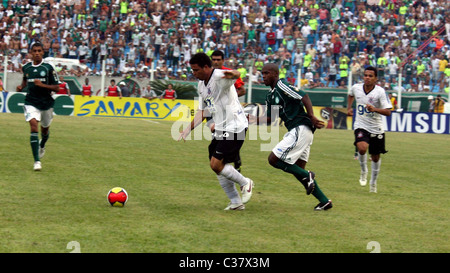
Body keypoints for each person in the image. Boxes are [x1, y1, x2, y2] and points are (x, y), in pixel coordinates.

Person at [179, 53, 254, 211]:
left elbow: (236, 74)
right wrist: (187, 129)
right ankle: (235, 202)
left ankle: (245, 182)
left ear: (206, 67)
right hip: (221, 127)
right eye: (192, 70)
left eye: (196, 70)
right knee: (217, 166)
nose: (194, 73)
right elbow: (202, 111)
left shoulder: (219, 76)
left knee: (216, 163)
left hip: (235, 126)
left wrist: (235, 73)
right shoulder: (201, 85)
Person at [254, 63, 333, 211]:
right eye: (262, 73)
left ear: (275, 74)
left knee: (273, 159)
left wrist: (311, 115)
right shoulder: (270, 95)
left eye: (266, 73)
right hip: (302, 132)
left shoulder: (281, 85)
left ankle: (308, 175)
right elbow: (271, 118)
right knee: (297, 170)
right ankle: (324, 201)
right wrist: (253, 119)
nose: (263, 76)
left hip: (300, 128)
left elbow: (304, 95)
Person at [347, 66, 392, 193]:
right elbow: (350, 95)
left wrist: (375, 109)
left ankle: (373, 182)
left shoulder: (380, 92)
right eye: (366, 75)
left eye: (370, 76)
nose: (367, 78)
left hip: (376, 128)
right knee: (362, 148)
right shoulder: (356, 88)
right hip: (361, 125)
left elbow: (388, 112)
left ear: (376, 79)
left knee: (376, 157)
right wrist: (349, 108)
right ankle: (363, 170)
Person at [16, 42, 60, 171]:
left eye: (39, 51)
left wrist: (42, 85)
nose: (36, 53)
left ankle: (43, 144)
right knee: (33, 126)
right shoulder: (26, 67)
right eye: (34, 51)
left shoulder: (48, 68)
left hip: (46, 103)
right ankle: (37, 161)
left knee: (44, 130)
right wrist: (21, 87)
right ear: (30, 52)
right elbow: (25, 79)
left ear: (42, 52)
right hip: (31, 102)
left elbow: (57, 87)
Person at [210, 50, 245, 172]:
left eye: (218, 59)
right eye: (213, 59)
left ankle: (233, 160)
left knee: (224, 138)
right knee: (218, 137)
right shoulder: (210, 75)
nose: (215, 62)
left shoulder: (227, 73)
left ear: (222, 61)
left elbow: (242, 90)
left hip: (230, 113)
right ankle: (233, 160)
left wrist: (230, 99)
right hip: (216, 112)